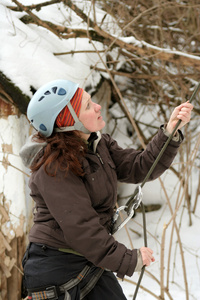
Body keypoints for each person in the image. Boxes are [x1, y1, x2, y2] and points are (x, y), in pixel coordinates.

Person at [20, 79, 193, 300]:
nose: (98, 106)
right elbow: (82, 227)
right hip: (57, 268)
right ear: (68, 120)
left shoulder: (97, 144)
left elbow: (139, 166)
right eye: (88, 105)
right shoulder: (54, 167)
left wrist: (169, 132)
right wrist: (129, 258)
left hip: (88, 257)